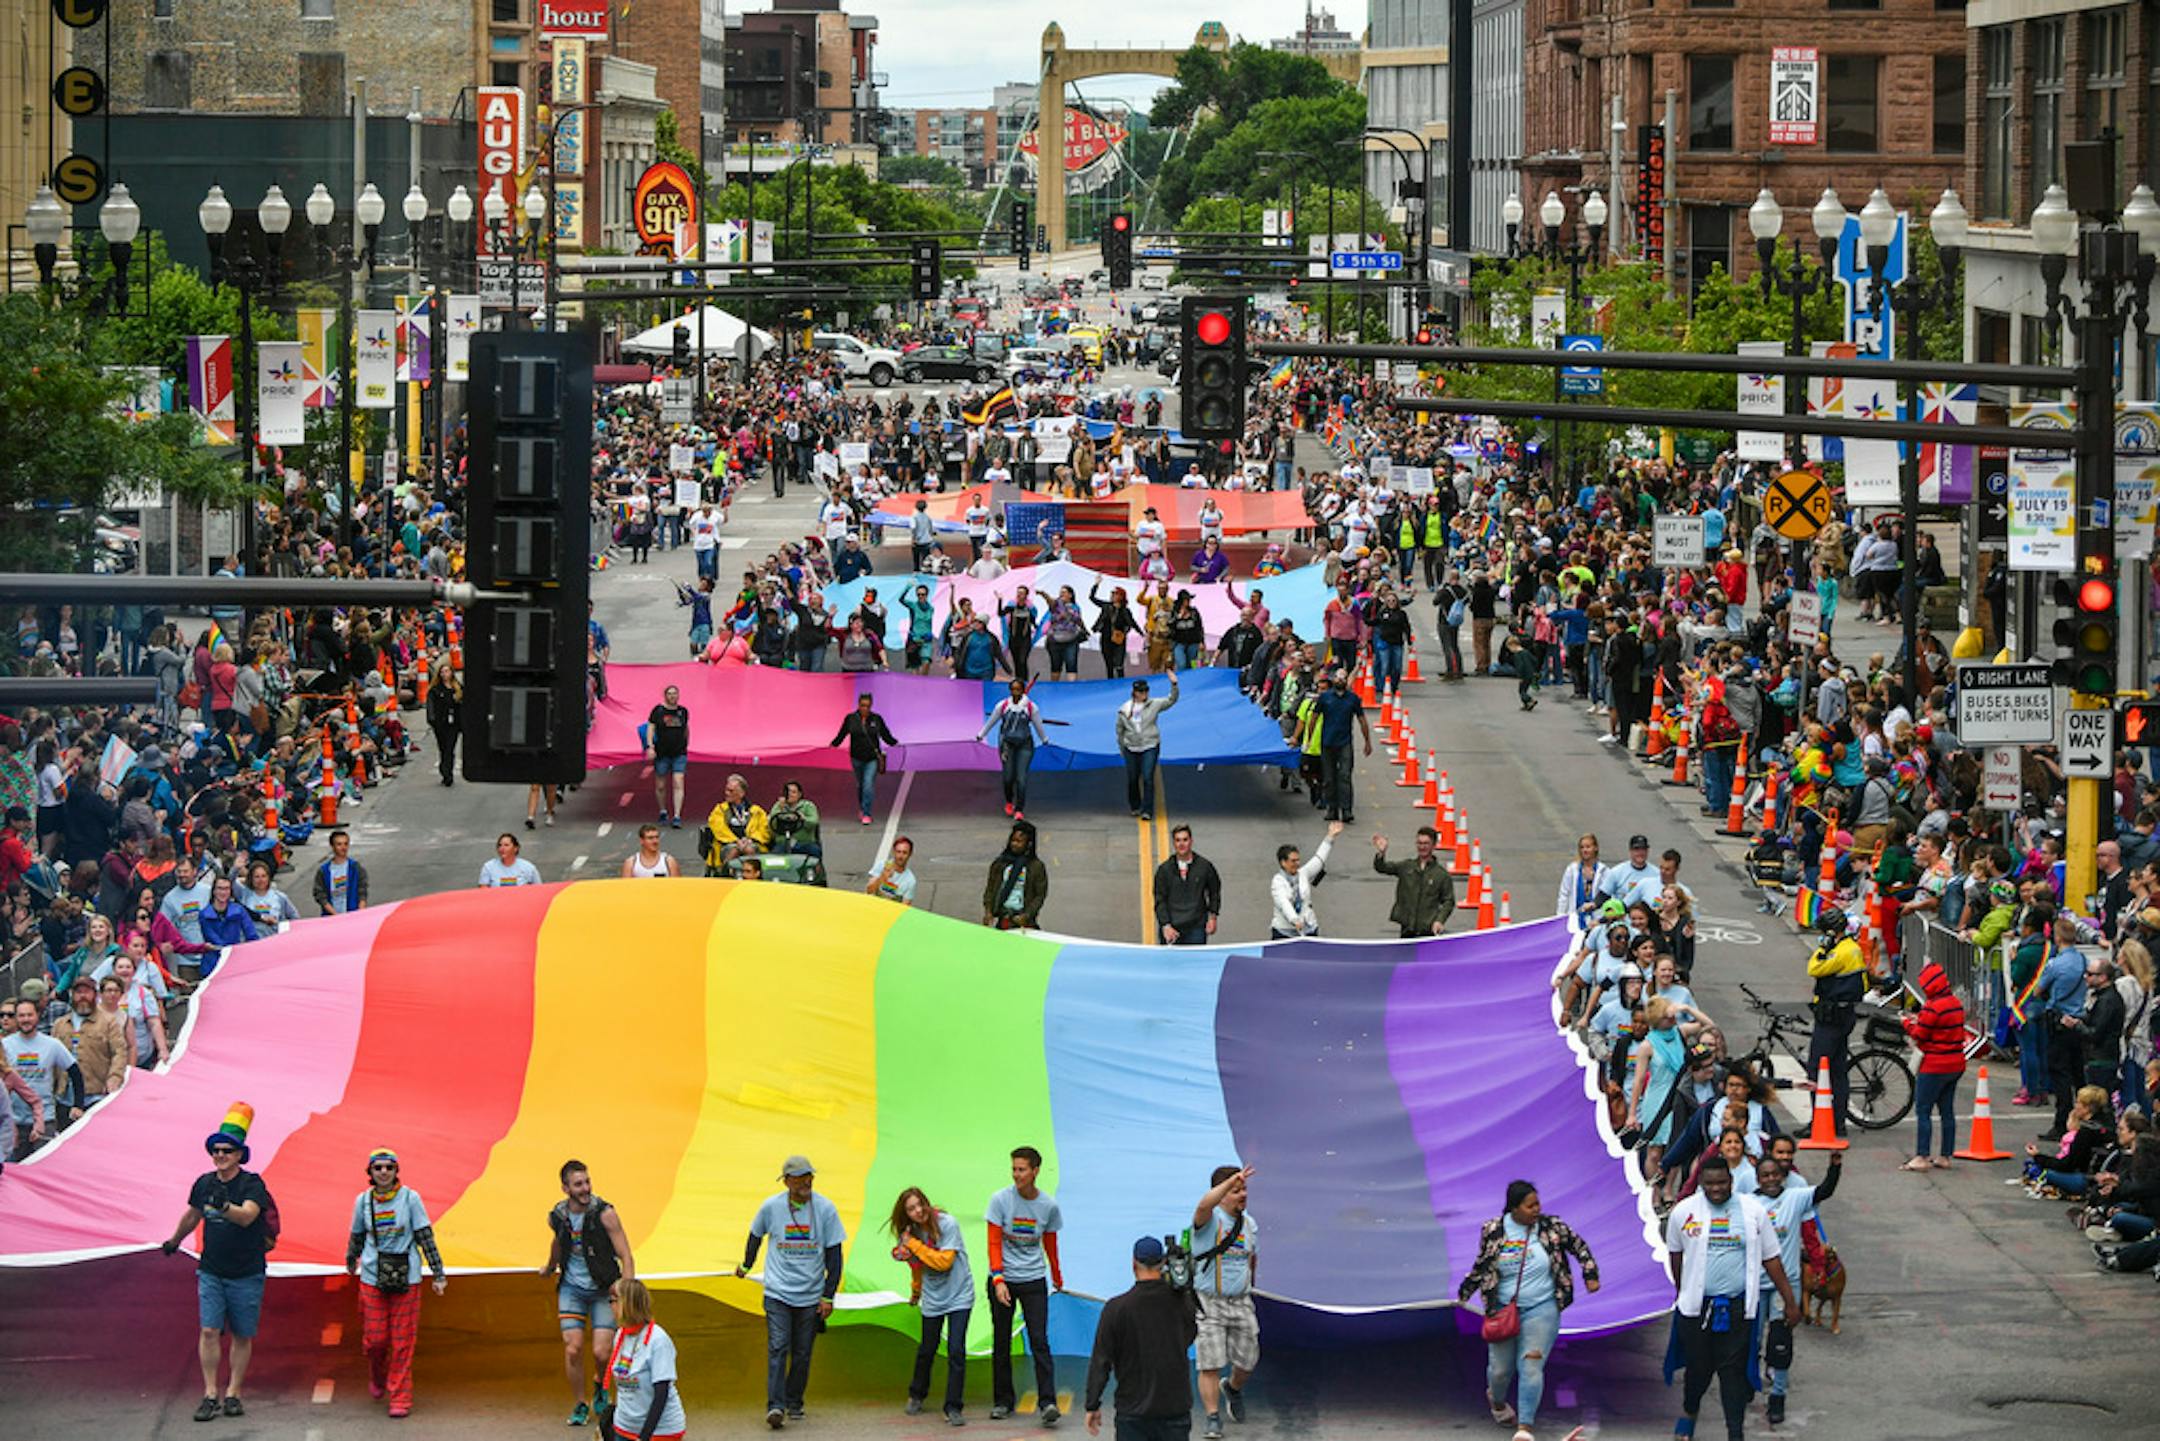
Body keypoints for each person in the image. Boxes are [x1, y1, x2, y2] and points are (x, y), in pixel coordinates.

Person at [1663, 1156, 1799, 1441]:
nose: (1716, 1189)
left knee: (1732, 1374)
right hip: (1697, 1310)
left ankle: (1735, 1433)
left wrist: (1789, 1300)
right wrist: (1682, 1290)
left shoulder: (1753, 1212)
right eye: (1710, 1183)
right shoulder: (1683, 1212)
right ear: (1701, 1183)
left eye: (1722, 1182)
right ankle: (1689, 1411)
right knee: (1698, 1370)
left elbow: (1771, 1258)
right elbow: (1675, 1256)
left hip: (1737, 1310)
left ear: (1732, 1182)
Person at [1455, 1180, 1603, 1441]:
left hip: (1542, 1307)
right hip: (1503, 1310)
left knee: (1531, 1365)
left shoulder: (1551, 1228)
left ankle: (1525, 1427)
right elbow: (1481, 1265)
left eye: (1538, 1204)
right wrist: (1464, 1293)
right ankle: (1497, 1400)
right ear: (1514, 1208)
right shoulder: (1494, 1230)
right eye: (1530, 1205)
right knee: (1500, 1370)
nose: (1537, 1209)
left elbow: (1580, 1247)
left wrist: (1590, 1274)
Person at [160, 1103, 274, 1422]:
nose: (220, 1155)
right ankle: (211, 1393)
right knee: (209, 1330)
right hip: (211, 1270)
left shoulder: (252, 1184)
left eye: (227, 1150)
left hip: (247, 1271)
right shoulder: (204, 1183)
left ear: (240, 1155)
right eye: (216, 1150)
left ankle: (234, 1392)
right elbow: (193, 1214)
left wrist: (224, 1207)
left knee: (241, 1334)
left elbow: (248, 1216)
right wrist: (174, 1240)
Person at [737, 1154, 847, 1429]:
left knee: (802, 1352)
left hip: (810, 1295)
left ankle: (794, 1400)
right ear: (786, 1181)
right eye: (799, 1177)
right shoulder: (771, 1207)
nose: (805, 1182)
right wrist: (746, 1265)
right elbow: (755, 1235)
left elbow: (835, 1255)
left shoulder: (826, 1209)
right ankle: (775, 1406)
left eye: (809, 1176)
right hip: (777, 1292)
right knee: (778, 1346)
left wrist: (828, 1295)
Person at [345, 1148, 447, 1418]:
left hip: (407, 1278)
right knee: (376, 1340)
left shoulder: (410, 1199)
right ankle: (377, 1375)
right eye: (378, 1168)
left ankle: (400, 1396)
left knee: (403, 1341)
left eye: (389, 1168)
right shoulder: (363, 1202)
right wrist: (350, 1260)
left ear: (396, 1171)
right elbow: (356, 1235)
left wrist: (438, 1273)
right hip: (372, 1276)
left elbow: (425, 1236)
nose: (383, 1173)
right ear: (370, 1172)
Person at [1749, 1151, 1841, 1424]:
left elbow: (1825, 1190)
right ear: (1757, 1178)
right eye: (1765, 1175)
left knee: (1780, 1344)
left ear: (1784, 1176)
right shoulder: (1748, 1203)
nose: (1771, 1179)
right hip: (1755, 1285)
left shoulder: (1795, 1197)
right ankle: (1748, 1384)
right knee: (1751, 1341)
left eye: (1775, 1174)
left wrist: (1835, 1167)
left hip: (1784, 1286)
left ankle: (1777, 1396)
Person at [544, 1159, 636, 1427]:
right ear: (565, 1188)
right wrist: (550, 1266)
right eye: (578, 1184)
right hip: (571, 1289)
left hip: (602, 1288)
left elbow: (626, 1254)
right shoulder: (558, 1216)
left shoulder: (605, 1213)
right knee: (572, 1349)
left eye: (587, 1182)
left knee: (601, 1353)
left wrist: (626, 1289)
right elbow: (558, 1243)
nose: (585, 1188)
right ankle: (580, 1403)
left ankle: (600, 1382)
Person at [1083, 1236, 1199, 1441]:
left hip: (1132, 1413)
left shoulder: (1116, 1308)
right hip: (1175, 1409)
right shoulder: (1182, 1302)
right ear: (1163, 1263)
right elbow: (1189, 1336)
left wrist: (1092, 1404)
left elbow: (1101, 1360)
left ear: (1133, 1263)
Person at [987, 1145, 1064, 1425]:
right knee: (1002, 1342)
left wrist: (1057, 1276)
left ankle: (1048, 1403)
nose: (1017, 1175)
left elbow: (1051, 1244)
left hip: (1033, 1280)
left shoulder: (1048, 1206)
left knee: (1040, 1341)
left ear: (1035, 1171)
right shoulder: (999, 1200)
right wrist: (998, 1279)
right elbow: (994, 1243)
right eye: (1014, 1169)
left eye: (1021, 1169)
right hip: (1003, 1280)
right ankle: (1002, 1401)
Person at [889, 1186, 975, 1425]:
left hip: (959, 1294)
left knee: (956, 1349)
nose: (918, 1211)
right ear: (905, 1214)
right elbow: (916, 1266)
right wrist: (916, 1291)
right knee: (927, 1348)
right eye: (911, 1209)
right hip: (934, 1297)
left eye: (919, 1205)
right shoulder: (909, 1234)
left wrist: (913, 1245)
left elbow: (944, 1262)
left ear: (927, 1203)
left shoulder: (947, 1224)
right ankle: (917, 1394)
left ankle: (953, 1407)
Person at [1190, 1164, 1259, 1441]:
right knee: (1210, 1362)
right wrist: (1229, 1181)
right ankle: (1212, 1416)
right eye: (1235, 1190)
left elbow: (1252, 1259)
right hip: (1210, 1303)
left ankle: (1232, 1388)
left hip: (1241, 1302)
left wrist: (1250, 1285)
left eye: (1244, 1189)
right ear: (1220, 1194)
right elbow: (1203, 1204)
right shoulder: (1209, 1221)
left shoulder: (1250, 1224)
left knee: (1249, 1359)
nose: (1242, 1194)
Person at [1804, 908, 1865, 1138]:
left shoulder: (1840, 953)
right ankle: (1838, 1122)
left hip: (1831, 1017)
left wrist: (1823, 947)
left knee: (1817, 1069)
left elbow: (1813, 968)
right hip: (1844, 1015)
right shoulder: (1852, 948)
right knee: (1838, 1070)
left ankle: (1818, 1121)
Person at [1903, 960, 1967, 1169]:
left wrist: (1907, 1023)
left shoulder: (1932, 1007)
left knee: (1923, 1110)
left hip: (1934, 1065)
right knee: (1947, 1111)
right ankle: (1945, 1156)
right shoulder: (1955, 1003)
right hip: (1955, 1063)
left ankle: (1922, 1156)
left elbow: (1919, 1034)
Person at [608, 1278, 690, 1441]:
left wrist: (644, 1437)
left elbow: (661, 1393)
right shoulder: (620, 1335)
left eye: (613, 1300)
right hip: (624, 1427)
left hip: (660, 1432)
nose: (610, 1306)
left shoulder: (658, 1340)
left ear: (627, 1303)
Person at [1297, 668, 1372, 824]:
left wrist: (1367, 741)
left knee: (1344, 776)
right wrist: (1309, 738)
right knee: (1329, 778)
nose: (1340, 680)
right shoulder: (1325, 698)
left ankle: (1346, 809)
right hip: (1327, 743)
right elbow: (1314, 719)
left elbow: (1362, 720)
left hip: (1344, 743)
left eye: (1343, 678)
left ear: (1346, 681)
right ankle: (1332, 808)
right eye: (1337, 678)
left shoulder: (1353, 699)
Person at [5, 998, 76, 1157]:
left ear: (38, 1016)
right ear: (16, 1018)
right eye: (21, 1016)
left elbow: (75, 1071)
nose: (26, 1019)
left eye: (29, 1015)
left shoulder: (52, 1044)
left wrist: (77, 1104)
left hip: (45, 1119)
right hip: (14, 1120)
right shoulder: (5, 1045)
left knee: (43, 1167)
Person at [982, 679, 1050, 820]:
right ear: (1010, 690)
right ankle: (1009, 801)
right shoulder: (1003, 705)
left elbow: (1038, 725)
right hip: (1007, 745)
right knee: (1008, 778)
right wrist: (981, 735)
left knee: (1021, 779)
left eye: (1018, 689)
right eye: (1013, 689)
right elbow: (991, 721)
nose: (1015, 692)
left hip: (1025, 745)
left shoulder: (1031, 707)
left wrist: (1044, 739)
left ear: (1023, 690)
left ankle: (1019, 809)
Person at [1115, 673, 1179, 821]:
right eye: (1141, 691)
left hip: (1150, 745)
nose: (1144, 694)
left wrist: (1174, 685)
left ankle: (1147, 810)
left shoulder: (1154, 704)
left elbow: (1171, 700)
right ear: (1135, 693)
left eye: (1146, 691)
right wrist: (1122, 747)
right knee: (1132, 778)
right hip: (1131, 747)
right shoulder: (1124, 710)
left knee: (1148, 777)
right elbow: (1119, 730)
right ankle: (1135, 805)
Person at [830, 693, 900, 826]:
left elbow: (885, 735)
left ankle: (867, 813)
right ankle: (862, 807)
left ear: (871, 706)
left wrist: (895, 743)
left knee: (868, 784)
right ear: (858, 705)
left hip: (872, 758)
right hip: (856, 758)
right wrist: (833, 744)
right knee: (861, 785)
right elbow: (842, 734)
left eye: (867, 706)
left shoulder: (876, 719)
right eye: (863, 705)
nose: (865, 708)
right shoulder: (850, 719)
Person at [1372, 827, 1457, 936]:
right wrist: (1381, 853)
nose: (1422, 847)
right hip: (1407, 929)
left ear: (1434, 845)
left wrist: (1439, 920)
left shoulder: (1442, 875)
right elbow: (1382, 867)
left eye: (1426, 843)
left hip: (1428, 931)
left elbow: (1448, 901)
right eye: (1419, 843)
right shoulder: (1406, 867)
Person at [1269, 821, 1344, 938]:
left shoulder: (1303, 873)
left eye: (1298, 860)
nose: (1297, 863)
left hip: (1308, 929)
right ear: (1283, 862)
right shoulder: (1277, 882)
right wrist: (1295, 920)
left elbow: (1319, 859)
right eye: (1293, 861)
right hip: (1284, 933)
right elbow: (1284, 903)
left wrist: (1330, 837)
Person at [1154, 825, 1222, 946]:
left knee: (1196, 964)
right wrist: (1165, 925)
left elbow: (1214, 892)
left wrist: (1213, 917)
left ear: (1191, 841)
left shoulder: (1204, 867)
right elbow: (1160, 900)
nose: (1181, 844)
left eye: (1185, 840)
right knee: (1170, 964)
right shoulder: (1164, 870)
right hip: (1172, 929)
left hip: (1196, 928)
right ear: (1173, 843)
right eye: (1178, 840)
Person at [985, 820, 1048, 931]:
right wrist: (988, 911)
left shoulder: (1036, 867)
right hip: (1004, 919)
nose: (1014, 844)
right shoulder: (1000, 864)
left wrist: (1027, 915)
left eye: (1019, 841)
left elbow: (1040, 895)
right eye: (1013, 840)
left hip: (1024, 922)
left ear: (1029, 844)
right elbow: (990, 889)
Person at [703, 773, 774, 872]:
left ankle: (752, 875)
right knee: (734, 850)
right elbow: (719, 829)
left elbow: (764, 830)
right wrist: (737, 842)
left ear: (741, 793)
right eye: (726, 790)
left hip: (752, 844)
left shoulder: (756, 811)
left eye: (731, 791)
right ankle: (725, 874)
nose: (727, 793)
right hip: (727, 845)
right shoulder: (720, 810)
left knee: (749, 849)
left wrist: (750, 840)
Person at [646, 684, 691, 827]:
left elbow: (686, 729)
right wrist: (650, 747)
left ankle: (677, 815)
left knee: (678, 781)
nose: (673, 696)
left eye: (675, 693)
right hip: (662, 753)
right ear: (665, 696)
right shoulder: (658, 711)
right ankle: (663, 811)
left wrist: (686, 745)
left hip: (679, 753)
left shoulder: (683, 711)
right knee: (660, 785)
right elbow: (651, 728)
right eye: (670, 694)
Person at [313, 829, 368, 915]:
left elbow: (362, 892)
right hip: (331, 919)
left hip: (353, 916)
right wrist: (335, 915)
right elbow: (320, 896)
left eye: (346, 844)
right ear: (332, 846)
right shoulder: (324, 871)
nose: (343, 847)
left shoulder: (356, 868)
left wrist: (360, 914)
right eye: (339, 844)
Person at [869, 837, 918, 905]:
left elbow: (905, 906)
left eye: (904, 853)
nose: (900, 856)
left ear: (910, 854)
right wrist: (882, 877)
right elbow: (869, 890)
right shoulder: (882, 865)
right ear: (893, 852)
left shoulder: (910, 880)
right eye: (898, 852)